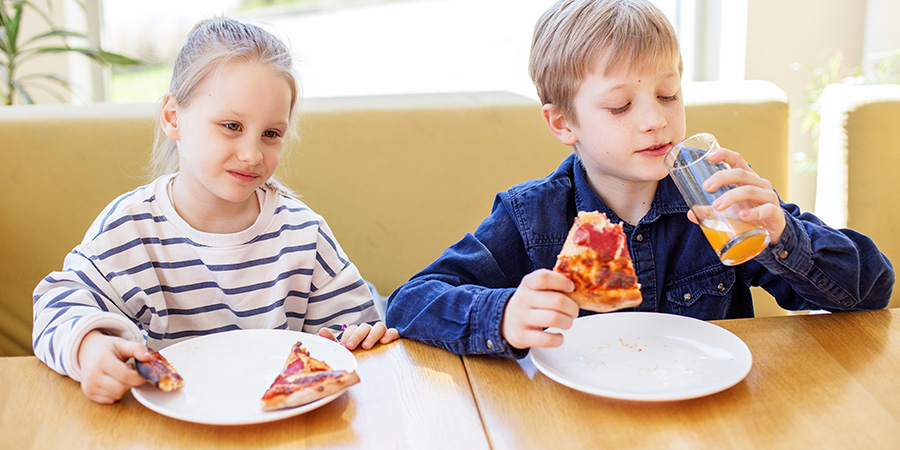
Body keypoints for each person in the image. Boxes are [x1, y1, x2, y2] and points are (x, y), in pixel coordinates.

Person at [384, 0, 894, 358]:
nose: (655, 120)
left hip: (712, 412)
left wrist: (785, 235)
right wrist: (505, 314)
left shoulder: (719, 199)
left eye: (669, 94)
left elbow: (871, 292)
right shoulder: (532, 216)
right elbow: (411, 302)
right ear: (563, 123)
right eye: (620, 105)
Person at [32, 18, 399, 404]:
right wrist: (88, 348)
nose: (253, 154)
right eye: (231, 125)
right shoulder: (128, 228)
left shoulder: (303, 234)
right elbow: (58, 304)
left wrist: (352, 337)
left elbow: (351, 326)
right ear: (173, 117)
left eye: (271, 134)